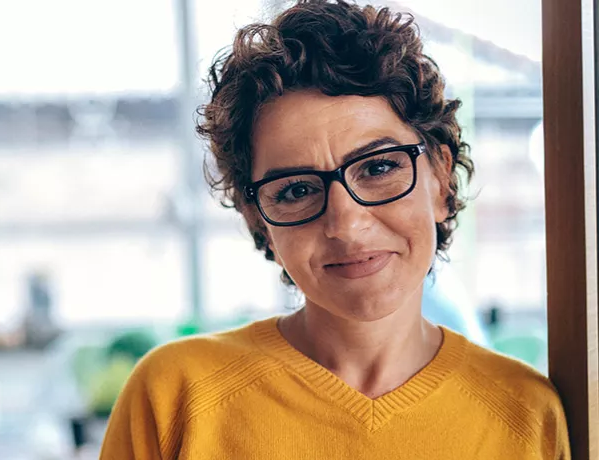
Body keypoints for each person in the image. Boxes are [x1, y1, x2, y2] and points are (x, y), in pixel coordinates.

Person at [100, 1, 569, 458]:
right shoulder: (175, 397)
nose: (345, 224)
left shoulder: (527, 415)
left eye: (379, 166)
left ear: (441, 181)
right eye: (295, 189)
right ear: (255, 218)